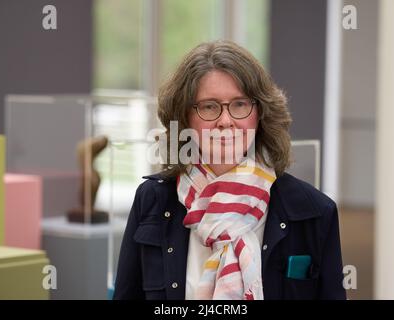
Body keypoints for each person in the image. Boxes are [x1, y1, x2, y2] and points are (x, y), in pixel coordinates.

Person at [113, 40, 346, 300]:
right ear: (184, 117)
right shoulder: (152, 201)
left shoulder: (314, 212)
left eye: (239, 104)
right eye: (209, 106)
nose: (226, 121)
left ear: (259, 113)